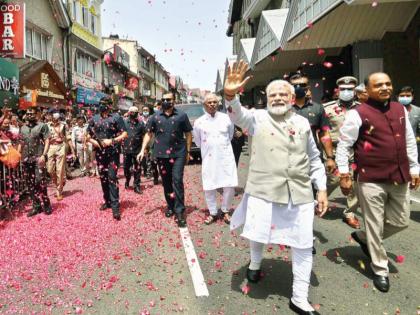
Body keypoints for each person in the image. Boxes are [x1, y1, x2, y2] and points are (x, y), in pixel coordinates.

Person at [226, 61, 327, 315]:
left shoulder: (303, 124)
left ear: (293, 98)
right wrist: (230, 95)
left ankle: (299, 297)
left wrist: (322, 188)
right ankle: (256, 264)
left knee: (303, 243)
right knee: (258, 233)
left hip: (300, 192)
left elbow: (314, 158)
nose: (278, 98)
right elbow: (238, 115)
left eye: (283, 94)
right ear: (266, 99)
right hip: (264, 191)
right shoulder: (256, 119)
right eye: (273, 95)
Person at [336, 72, 420, 293]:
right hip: (371, 178)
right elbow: (344, 146)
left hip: (399, 175)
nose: (385, 87)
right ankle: (380, 269)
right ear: (367, 90)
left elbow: (409, 141)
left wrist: (414, 168)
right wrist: (344, 175)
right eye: (378, 85)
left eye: (388, 83)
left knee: (401, 221)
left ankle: (363, 237)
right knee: (375, 224)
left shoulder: (399, 109)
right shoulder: (357, 113)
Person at [137, 93, 193, 227]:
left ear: (174, 101)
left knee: (177, 180)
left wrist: (188, 151)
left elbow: (188, 133)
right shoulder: (154, 116)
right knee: (166, 182)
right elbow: (148, 134)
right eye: (164, 100)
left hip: (178, 153)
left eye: (169, 99)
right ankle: (170, 206)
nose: (166, 101)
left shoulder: (181, 115)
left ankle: (179, 211)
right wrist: (142, 150)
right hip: (161, 155)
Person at [193, 93, 238, 225]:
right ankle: (213, 212)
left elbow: (229, 136)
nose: (212, 104)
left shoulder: (227, 119)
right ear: (204, 105)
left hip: (226, 157)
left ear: (218, 104)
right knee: (209, 186)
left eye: (215, 102)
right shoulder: (199, 122)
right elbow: (198, 141)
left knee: (229, 185)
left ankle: (225, 210)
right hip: (209, 158)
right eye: (209, 102)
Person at [323, 76, 361, 228]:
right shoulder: (327, 108)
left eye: (350, 89)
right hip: (335, 149)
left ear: (355, 91)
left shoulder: (362, 108)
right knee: (332, 180)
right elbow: (322, 133)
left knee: (355, 184)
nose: (346, 92)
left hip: (356, 150)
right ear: (338, 91)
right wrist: (328, 156)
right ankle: (318, 199)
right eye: (343, 89)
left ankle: (349, 213)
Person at [87, 98, 128, 221]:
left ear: (110, 106)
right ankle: (107, 201)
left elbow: (124, 133)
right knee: (103, 178)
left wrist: (112, 141)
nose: (102, 106)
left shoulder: (116, 117)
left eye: (104, 104)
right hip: (100, 153)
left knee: (112, 177)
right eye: (100, 104)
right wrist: (95, 142)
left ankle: (115, 206)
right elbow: (88, 135)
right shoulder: (94, 119)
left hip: (113, 153)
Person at [288, 72, 336, 174]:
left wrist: (330, 157)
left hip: (312, 159)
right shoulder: (283, 108)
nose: (298, 88)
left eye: (302, 85)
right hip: (288, 160)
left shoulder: (317, 108)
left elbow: (324, 134)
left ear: (308, 87)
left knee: (316, 188)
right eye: (294, 86)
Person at [20, 107, 53, 216]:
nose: (30, 116)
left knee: (40, 181)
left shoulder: (42, 126)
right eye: (28, 114)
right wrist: (19, 156)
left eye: (32, 114)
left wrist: (44, 155)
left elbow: (47, 140)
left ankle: (47, 205)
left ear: (37, 114)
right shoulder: (23, 128)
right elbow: (21, 143)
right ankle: (36, 206)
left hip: (38, 158)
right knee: (29, 184)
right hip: (26, 159)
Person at [46, 112, 75, 201]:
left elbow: (69, 138)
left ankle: (59, 191)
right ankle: (61, 182)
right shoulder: (46, 125)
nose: (54, 117)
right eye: (52, 115)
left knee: (60, 169)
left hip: (61, 147)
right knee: (49, 169)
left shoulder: (64, 125)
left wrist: (73, 151)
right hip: (50, 147)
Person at [123, 106, 145, 194]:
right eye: (131, 112)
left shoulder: (141, 124)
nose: (132, 114)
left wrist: (144, 149)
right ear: (128, 112)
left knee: (138, 169)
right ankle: (127, 180)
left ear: (137, 113)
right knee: (126, 168)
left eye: (134, 112)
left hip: (137, 151)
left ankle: (137, 186)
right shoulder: (124, 123)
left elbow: (145, 136)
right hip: (127, 150)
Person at [398, 86, 420, 162]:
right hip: (397, 146)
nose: (405, 97)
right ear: (397, 97)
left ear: (412, 97)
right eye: (402, 96)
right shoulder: (391, 110)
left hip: (414, 146)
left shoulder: (418, 111)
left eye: (408, 96)